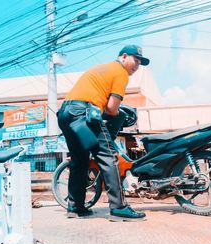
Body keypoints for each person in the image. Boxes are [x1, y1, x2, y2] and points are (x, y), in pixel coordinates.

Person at [57, 44, 149, 221]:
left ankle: (76, 208)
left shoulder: (101, 69)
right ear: (123, 57)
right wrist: (116, 114)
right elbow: (112, 109)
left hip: (65, 114)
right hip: (84, 113)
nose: (137, 66)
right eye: (135, 60)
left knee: (80, 160)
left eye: (140, 63)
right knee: (108, 157)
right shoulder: (120, 73)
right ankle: (119, 207)